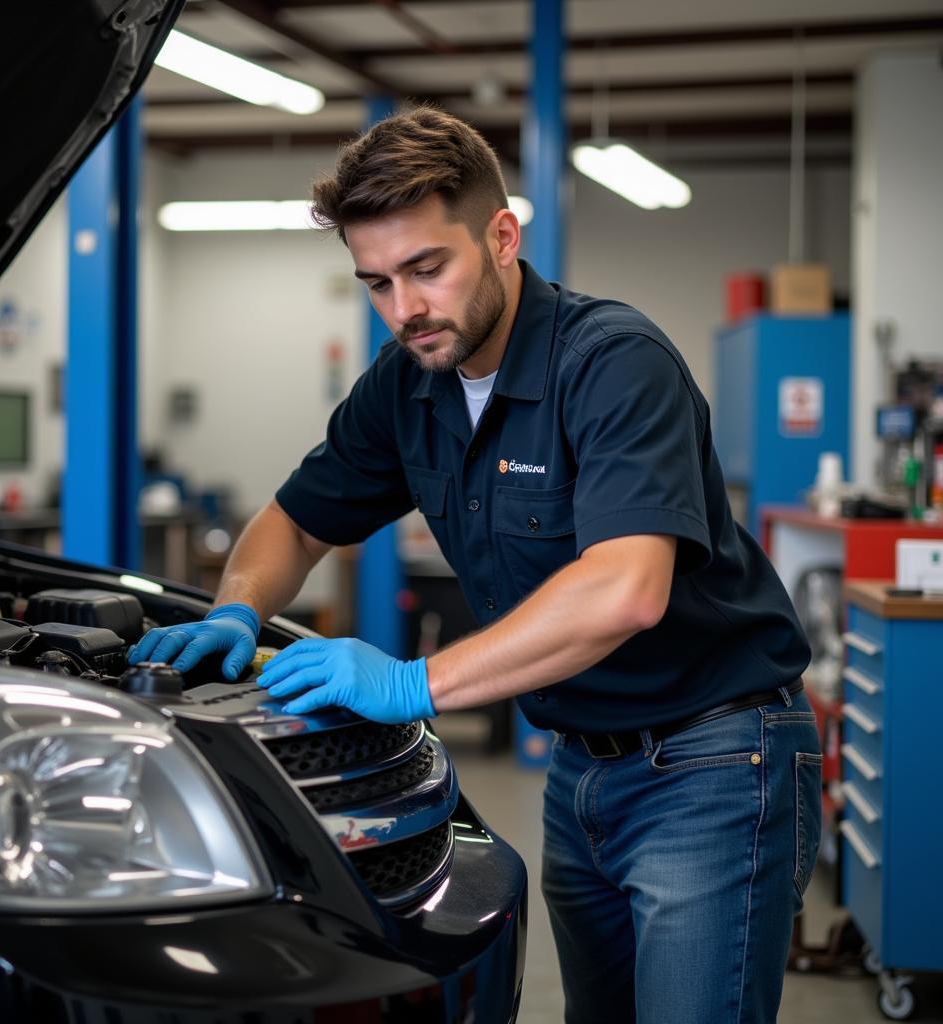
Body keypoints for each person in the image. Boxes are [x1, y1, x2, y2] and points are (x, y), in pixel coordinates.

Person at [128, 107, 822, 1024]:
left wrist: (416, 681)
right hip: (584, 772)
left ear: (501, 237)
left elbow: (626, 589)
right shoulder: (405, 382)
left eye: (427, 268)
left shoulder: (613, 362)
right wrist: (238, 611)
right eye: (376, 281)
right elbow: (292, 525)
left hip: (714, 762)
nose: (405, 308)